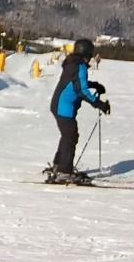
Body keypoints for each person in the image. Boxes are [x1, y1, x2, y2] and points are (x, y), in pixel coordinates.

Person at [47, 38, 110, 183]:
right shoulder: (79, 66)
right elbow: (81, 90)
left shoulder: (72, 64)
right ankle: (64, 172)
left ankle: (59, 165)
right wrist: (99, 104)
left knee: (67, 135)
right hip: (64, 108)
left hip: (58, 105)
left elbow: (76, 82)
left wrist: (94, 84)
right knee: (70, 137)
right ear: (87, 53)